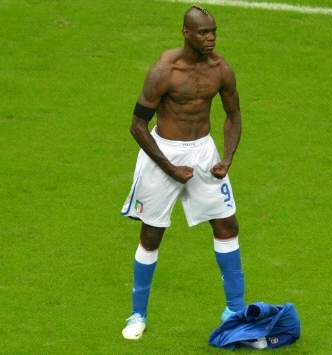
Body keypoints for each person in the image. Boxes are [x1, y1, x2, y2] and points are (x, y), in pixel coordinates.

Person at [119, 6, 245, 340]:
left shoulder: (221, 69)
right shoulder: (165, 70)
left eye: (214, 31)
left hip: (203, 151)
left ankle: (235, 310)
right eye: (204, 32)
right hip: (163, 153)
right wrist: (170, 167)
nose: (211, 38)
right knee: (152, 234)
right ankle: (137, 314)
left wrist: (227, 158)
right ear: (185, 32)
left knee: (227, 224)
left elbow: (233, 115)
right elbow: (137, 125)